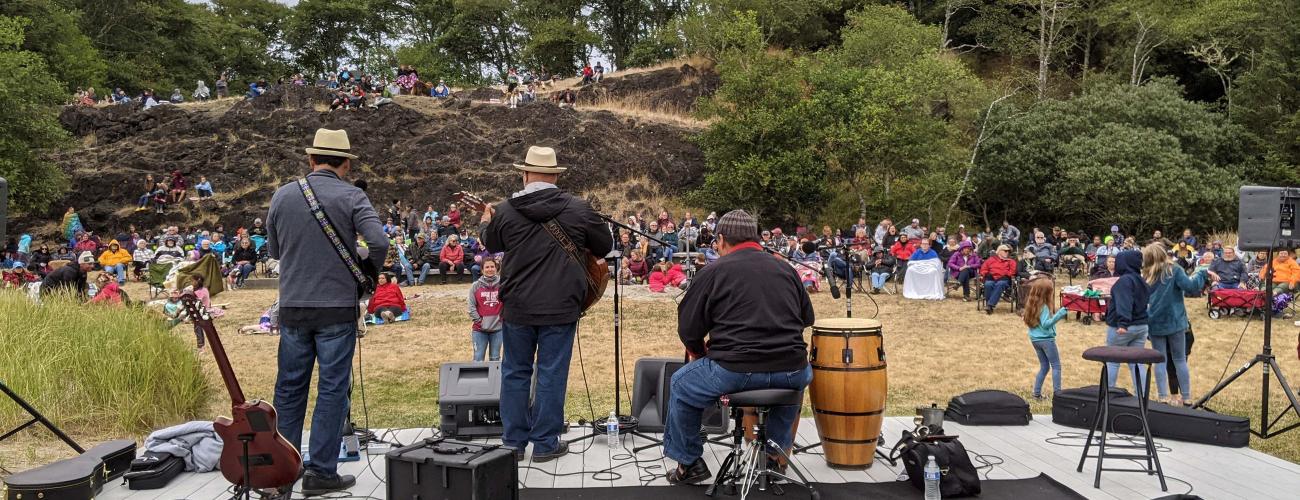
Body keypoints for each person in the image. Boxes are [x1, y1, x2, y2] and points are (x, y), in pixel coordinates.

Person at [265, 128, 387, 495]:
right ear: (346, 164)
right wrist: (366, 272)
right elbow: (378, 241)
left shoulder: (283, 195)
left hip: (295, 305)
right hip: (336, 306)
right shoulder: (352, 196)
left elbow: (274, 252)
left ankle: (282, 474)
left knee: (288, 390)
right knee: (333, 390)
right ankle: (321, 471)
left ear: (311, 159)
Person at [480, 145, 612, 463]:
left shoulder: (506, 210)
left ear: (524, 175)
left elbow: (490, 243)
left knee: (514, 372)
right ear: (554, 176)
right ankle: (545, 443)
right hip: (561, 305)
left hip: (518, 306)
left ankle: (513, 442)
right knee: (552, 373)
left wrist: (486, 222)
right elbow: (604, 245)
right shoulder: (578, 208)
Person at [664, 209, 814, 485]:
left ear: (721, 240)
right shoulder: (786, 269)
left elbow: (689, 329)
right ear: (756, 238)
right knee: (794, 382)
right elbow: (807, 318)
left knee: (680, 384)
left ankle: (688, 462)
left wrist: (699, 353)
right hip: (793, 368)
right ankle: (773, 457)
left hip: (735, 369)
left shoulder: (713, 271)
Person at [1142, 243, 1212, 406]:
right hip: (1176, 321)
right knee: (1180, 359)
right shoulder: (1173, 270)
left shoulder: (1145, 274)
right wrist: (1202, 272)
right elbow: (1192, 287)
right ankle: (1186, 397)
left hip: (1154, 322)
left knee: (1160, 360)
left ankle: (1163, 397)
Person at [1105, 250, 1150, 391]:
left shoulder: (1124, 281)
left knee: (1112, 361)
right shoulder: (1142, 280)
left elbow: (1125, 302)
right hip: (1141, 326)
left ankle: (1108, 395)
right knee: (1137, 363)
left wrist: (1123, 323)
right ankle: (1141, 397)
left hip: (1123, 327)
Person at [1022, 276, 1067, 399]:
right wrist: (1060, 314)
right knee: (1056, 366)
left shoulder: (1031, 304)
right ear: (1047, 293)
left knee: (1044, 366)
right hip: (1046, 340)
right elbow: (1046, 324)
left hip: (1035, 340)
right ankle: (1058, 395)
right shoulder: (1045, 307)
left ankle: (1036, 394)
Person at [467, 258, 503, 361]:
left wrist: (502, 319)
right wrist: (479, 321)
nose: (490, 269)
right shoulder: (475, 286)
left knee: (495, 358)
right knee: (478, 358)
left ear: (496, 268)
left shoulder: (503, 285)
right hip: (480, 330)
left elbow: (508, 303)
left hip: (498, 329)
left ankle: (495, 378)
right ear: (482, 270)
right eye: (487, 267)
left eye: (492, 266)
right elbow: (471, 306)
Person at [978, 244, 1017, 314]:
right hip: (991, 278)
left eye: (1008, 251)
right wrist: (986, 274)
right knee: (988, 284)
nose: (1007, 252)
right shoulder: (991, 260)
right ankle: (989, 306)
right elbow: (983, 269)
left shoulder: (1011, 261)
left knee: (1000, 284)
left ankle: (989, 305)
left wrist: (1002, 274)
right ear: (999, 251)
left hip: (1004, 279)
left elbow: (1012, 272)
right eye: (1005, 251)